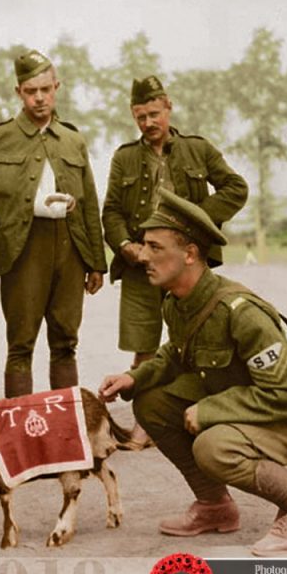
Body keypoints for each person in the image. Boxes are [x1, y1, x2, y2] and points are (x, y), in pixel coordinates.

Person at [99, 188, 287, 556]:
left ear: (190, 253)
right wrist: (135, 378)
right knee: (152, 402)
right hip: (250, 404)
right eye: (144, 245)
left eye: (155, 247)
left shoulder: (240, 312)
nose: (143, 256)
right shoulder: (177, 303)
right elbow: (178, 354)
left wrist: (209, 411)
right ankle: (214, 507)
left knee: (214, 447)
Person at [102, 75, 248, 443]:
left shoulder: (199, 150)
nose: (148, 123)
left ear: (168, 107)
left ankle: (199, 417)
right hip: (141, 267)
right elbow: (112, 212)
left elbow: (236, 188)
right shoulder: (125, 157)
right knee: (143, 345)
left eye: (154, 113)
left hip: (187, 267)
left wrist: (197, 220)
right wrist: (125, 246)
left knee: (193, 342)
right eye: (140, 116)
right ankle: (144, 425)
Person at [0, 49, 107, 398]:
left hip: (70, 248)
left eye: (46, 89)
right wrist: (5, 243)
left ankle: (65, 429)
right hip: (23, 248)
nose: (40, 98)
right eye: (31, 91)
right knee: (21, 342)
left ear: (56, 87)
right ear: (19, 92)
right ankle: (22, 437)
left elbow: (89, 203)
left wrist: (95, 262)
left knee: (65, 340)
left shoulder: (73, 140)